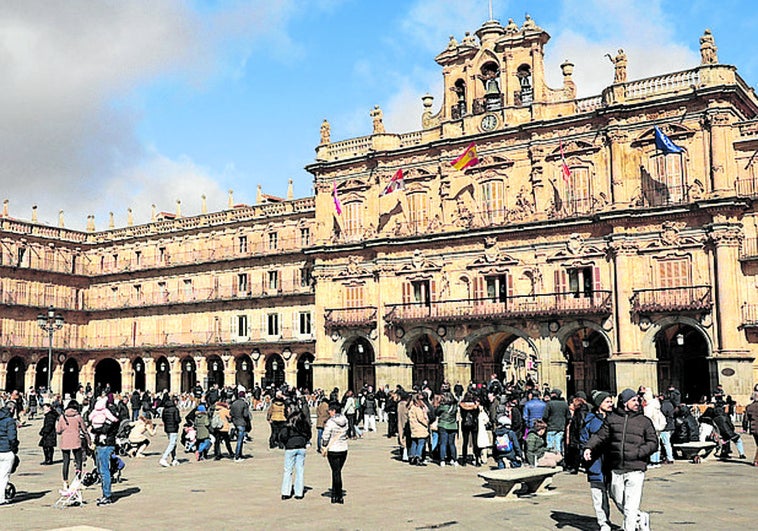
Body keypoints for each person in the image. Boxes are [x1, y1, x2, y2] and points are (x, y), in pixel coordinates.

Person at [583, 389, 658, 531]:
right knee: (617, 498)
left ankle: (629, 527)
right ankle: (640, 518)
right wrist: (589, 448)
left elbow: (653, 442)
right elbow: (600, 436)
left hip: (636, 468)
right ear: (625, 403)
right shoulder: (612, 419)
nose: (637, 403)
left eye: (637, 400)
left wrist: (638, 452)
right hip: (616, 468)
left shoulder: (644, 421)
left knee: (630, 506)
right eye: (633, 400)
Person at [581, 391, 614, 531]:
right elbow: (583, 440)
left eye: (611, 401)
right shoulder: (590, 421)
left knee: (618, 495)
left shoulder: (616, 418)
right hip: (595, 463)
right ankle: (604, 523)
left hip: (613, 462)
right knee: (598, 495)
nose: (611, 403)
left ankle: (633, 518)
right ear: (599, 404)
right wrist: (585, 453)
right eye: (607, 401)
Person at [90, 396, 120, 506]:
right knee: (100, 470)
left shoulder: (111, 417)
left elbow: (105, 429)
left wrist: (94, 429)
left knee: (104, 471)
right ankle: (105, 494)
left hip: (106, 445)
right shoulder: (105, 414)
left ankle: (107, 495)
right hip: (100, 444)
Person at [56, 399, 90, 489]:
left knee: (66, 462)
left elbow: (58, 431)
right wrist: (89, 440)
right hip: (76, 441)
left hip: (65, 442)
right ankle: (78, 481)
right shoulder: (78, 416)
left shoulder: (62, 417)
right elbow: (84, 429)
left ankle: (65, 482)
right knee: (78, 462)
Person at [279, 409, 311, 500]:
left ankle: (286, 492)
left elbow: (282, 436)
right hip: (301, 447)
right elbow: (309, 435)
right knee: (300, 470)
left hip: (290, 447)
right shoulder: (305, 425)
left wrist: (285, 443)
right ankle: (299, 492)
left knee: (288, 471)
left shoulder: (288, 426)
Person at [321, 402, 349, 504]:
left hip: (333, 449)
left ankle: (336, 495)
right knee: (337, 471)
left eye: (330, 410)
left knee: (335, 472)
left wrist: (323, 445)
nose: (329, 411)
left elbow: (325, 436)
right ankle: (337, 494)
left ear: (334, 411)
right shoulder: (345, 420)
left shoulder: (330, 422)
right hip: (343, 449)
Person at [0, 402, 19, 506]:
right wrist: (14, 448)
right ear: (12, 410)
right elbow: (12, 438)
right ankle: (1, 498)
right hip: (6, 451)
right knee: (3, 476)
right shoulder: (10, 421)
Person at [542, 388, 570, 455]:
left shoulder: (549, 404)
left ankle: (551, 458)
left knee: (550, 445)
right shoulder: (565, 404)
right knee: (558, 443)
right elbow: (568, 417)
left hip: (551, 427)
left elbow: (545, 416)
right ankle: (559, 457)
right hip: (561, 427)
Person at [436, 391, 459, 467]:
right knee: (452, 444)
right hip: (453, 426)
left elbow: (436, 412)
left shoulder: (443, 407)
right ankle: (454, 459)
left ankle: (442, 460)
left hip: (443, 425)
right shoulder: (455, 407)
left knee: (443, 443)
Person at [408, 394, 430, 466]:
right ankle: (418, 457)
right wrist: (427, 422)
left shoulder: (411, 408)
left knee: (414, 442)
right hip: (420, 428)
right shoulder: (417, 408)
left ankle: (412, 457)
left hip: (414, 428)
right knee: (421, 443)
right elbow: (421, 418)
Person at [159, 396, 181, 467]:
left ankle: (174, 459)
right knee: (172, 444)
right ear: (175, 401)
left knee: (173, 443)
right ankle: (164, 458)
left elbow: (163, 419)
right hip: (173, 428)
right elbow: (177, 419)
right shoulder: (175, 409)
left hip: (167, 428)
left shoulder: (165, 409)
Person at [230, 391, 252, 461]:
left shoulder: (234, 403)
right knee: (240, 440)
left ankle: (240, 454)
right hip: (242, 423)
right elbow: (245, 415)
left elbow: (231, 413)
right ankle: (237, 456)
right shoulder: (244, 404)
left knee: (240, 439)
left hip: (235, 422)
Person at [745, 392, 758, 466]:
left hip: (753, 428)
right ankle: (756, 460)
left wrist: (745, 428)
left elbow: (746, 419)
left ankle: (756, 460)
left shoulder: (749, 407)